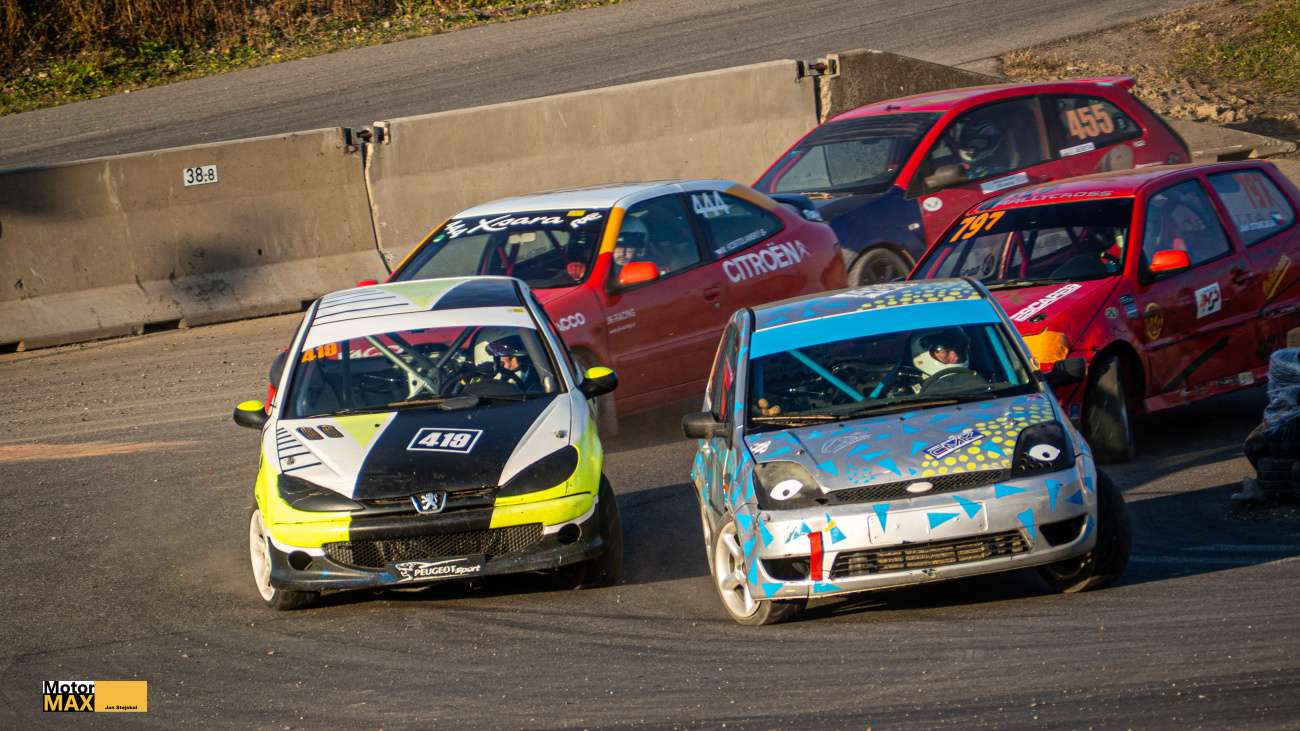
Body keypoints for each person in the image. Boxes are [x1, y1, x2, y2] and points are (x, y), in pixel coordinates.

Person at [895, 328, 971, 394]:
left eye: (959, 349)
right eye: (945, 351)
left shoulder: (974, 379)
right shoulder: (907, 391)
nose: (956, 357)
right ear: (922, 353)